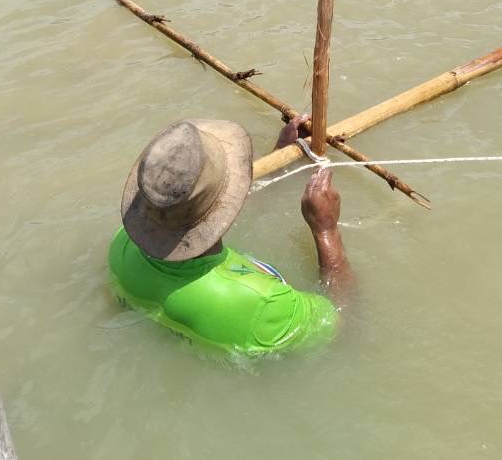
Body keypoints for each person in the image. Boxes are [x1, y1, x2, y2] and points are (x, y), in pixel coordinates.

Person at [108, 116, 353, 357]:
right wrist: (325, 230)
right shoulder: (263, 304)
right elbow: (343, 325)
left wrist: (280, 156)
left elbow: (204, 217)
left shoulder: (122, 244)